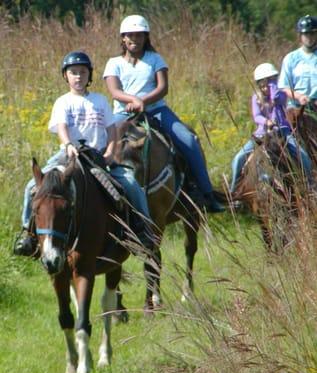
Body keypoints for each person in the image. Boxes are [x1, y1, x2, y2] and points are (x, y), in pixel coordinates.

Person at [14, 51, 154, 256]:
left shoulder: (100, 101)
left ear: (90, 75)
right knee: (31, 186)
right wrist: (68, 144)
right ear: (65, 76)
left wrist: (110, 152)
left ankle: (143, 231)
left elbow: (112, 131)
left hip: (97, 157)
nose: (78, 76)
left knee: (131, 184)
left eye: (83, 72)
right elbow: (61, 127)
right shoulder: (63, 101)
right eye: (73, 72)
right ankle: (28, 233)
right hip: (67, 155)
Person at [102, 14, 224, 213]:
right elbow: (114, 91)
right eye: (130, 35)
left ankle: (204, 192)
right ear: (123, 38)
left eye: (139, 35)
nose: (135, 39)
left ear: (146, 37)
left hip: (157, 111)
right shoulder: (113, 62)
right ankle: (99, 193)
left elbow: (163, 87)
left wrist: (143, 101)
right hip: (123, 113)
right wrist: (133, 101)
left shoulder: (155, 59)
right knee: (101, 143)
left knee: (188, 139)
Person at [230, 62, 313, 193]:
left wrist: (273, 87)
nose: (267, 87)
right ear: (258, 85)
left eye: (271, 81)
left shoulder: (280, 95)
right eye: (263, 84)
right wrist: (266, 121)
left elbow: (276, 97)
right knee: (238, 159)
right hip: (261, 134)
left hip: (283, 132)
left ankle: (311, 186)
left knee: (303, 157)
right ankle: (233, 192)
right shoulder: (255, 98)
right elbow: (256, 116)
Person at [278, 15, 317, 110]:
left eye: (312, 33)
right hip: (297, 105)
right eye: (306, 34)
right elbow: (284, 87)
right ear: (300, 35)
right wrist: (299, 97)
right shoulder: (291, 58)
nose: (309, 37)